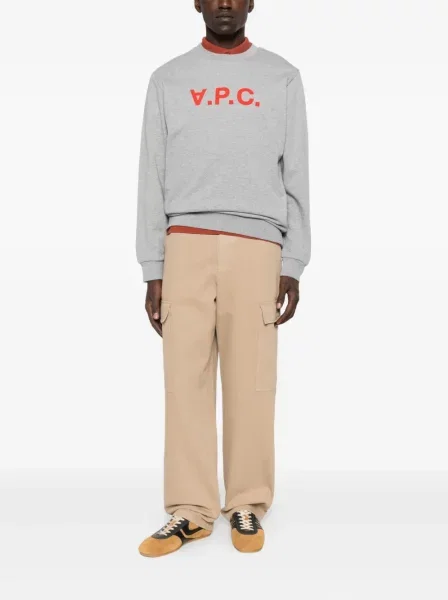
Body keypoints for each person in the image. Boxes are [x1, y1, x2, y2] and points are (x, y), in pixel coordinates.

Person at [136, 0, 310, 557]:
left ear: (252, 2)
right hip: (184, 244)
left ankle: (246, 502)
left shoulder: (282, 77)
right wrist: (153, 267)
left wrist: (293, 261)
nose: (226, 3)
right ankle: (190, 510)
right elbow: (151, 174)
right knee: (183, 381)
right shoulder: (168, 79)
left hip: (258, 247)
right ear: (198, 2)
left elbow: (297, 172)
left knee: (252, 381)